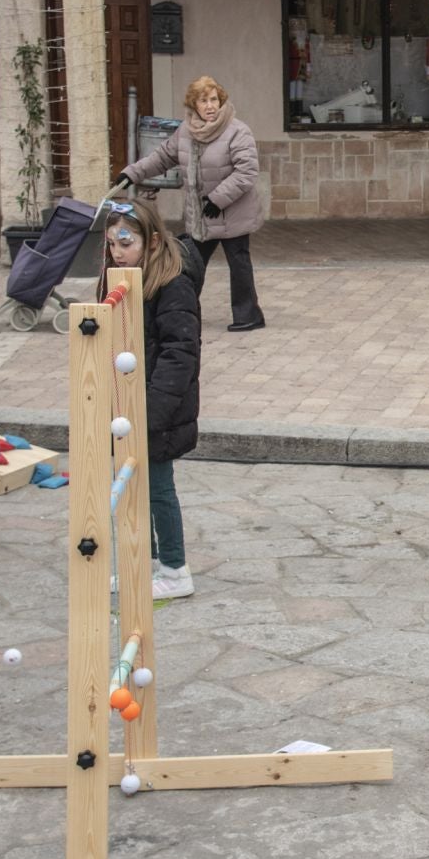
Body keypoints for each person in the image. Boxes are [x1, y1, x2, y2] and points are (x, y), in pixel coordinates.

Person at [98, 199, 204, 601]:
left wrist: (153, 410)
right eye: (112, 244)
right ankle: (145, 562)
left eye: (126, 243)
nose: (117, 252)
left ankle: (175, 570)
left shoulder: (173, 285)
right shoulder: (123, 280)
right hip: (130, 402)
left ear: (153, 241)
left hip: (159, 406)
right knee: (135, 487)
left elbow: (180, 352)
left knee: (158, 487)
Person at [122, 74, 266, 332]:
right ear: (194, 105)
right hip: (201, 215)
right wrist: (131, 174)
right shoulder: (186, 132)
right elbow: (162, 157)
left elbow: (247, 172)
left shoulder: (237, 131)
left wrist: (218, 199)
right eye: (204, 101)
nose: (210, 106)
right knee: (187, 265)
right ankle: (182, 312)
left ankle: (249, 316)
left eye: (214, 100)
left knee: (239, 265)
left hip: (232, 212)